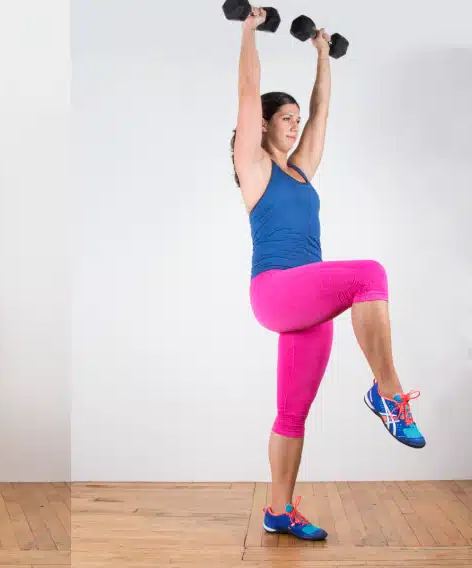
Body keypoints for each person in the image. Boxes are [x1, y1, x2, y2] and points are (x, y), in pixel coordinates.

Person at [230, 9, 425, 541]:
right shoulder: (253, 162)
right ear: (265, 124)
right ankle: (388, 393)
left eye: (295, 118)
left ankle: (277, 509)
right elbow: (249, 93)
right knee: (369, 274)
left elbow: (322, 112)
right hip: (274, 291)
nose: (295, 124)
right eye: (285, 117)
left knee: (292, 413)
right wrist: (248, 28)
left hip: (308, 302)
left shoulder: (300, 169)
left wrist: (321, 53)